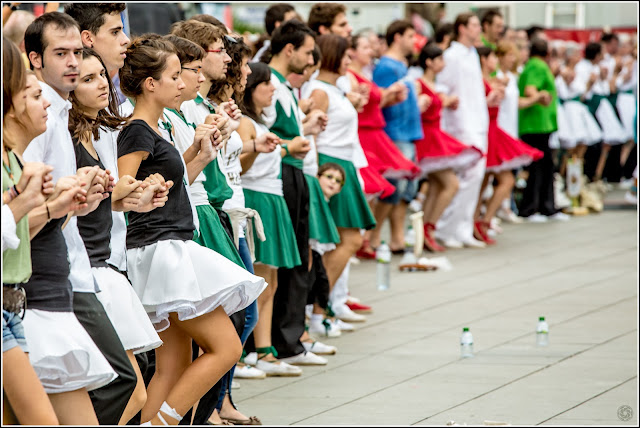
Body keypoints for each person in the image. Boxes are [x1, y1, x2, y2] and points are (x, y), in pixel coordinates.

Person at [117, 34, 265, 425]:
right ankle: (161, 423)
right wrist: (140, 188)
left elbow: (173, 179)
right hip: (160, 246)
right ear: (151, 84)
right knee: (227, 347)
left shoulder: (156, 125)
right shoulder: (136, 130)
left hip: (168, 241)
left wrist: (198, 153)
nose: (183, 83)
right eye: (174, 76)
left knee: (173, 365)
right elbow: (122, 188)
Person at [23, 12, 137, 425]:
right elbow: (26, 198)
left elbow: (63, 202)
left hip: (72, 264)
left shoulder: (59, 111)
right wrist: (69, 196)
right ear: (34, 59)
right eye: (61, 53)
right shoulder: (39, 112)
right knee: (117, 380)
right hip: (49, 272)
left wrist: (85, 194)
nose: (72, 62)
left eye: (77, 53)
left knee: (110, 381)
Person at [69, 48, 167, 425]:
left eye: (101, 77)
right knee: (125, 385)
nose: (101, 86)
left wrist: (136, 198)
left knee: (130, 387)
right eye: (87, 79)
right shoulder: (68, 138)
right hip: (86, 268)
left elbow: (102, 204)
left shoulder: (95, 134)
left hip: (101, 263)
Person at [2, 36, 67, 427]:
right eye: (30, 92)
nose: (45, 102)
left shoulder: (14, 157)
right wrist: (28, 201)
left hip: (13, 303)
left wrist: (59, 203)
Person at [262, 19, 329, 366]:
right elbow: (261, 132)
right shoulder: (270, 83)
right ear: (289, 50)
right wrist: (293, 143)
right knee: (288, 260)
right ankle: (284, 340)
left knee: (299, 253)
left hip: (293, 172)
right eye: (305, 52)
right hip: (282, 174)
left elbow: (280, 131)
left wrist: (305, 129)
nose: (309, 59)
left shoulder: (284, 86)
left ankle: (291, 336)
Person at [238, 61, 305, 375]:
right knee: (260, 279)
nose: (272, 88)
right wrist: (281, 149)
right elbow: (241, 167)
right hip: (258, 196)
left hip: (271, 194)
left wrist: (284, 149)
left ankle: (263, 350)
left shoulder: (260, 122)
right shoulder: (245, 123)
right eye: (265, 83)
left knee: (272, 279)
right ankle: (244, 353)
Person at [308, 34, 377, 304]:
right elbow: (313, 134)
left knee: (343, 240)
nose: (350, 62)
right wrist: (318, 174)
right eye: (346, 56)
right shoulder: (320, 91)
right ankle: (318, 309)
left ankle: (324, 309)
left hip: (343, 162)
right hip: (330, 163)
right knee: (344, 240)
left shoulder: (332, 88)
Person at [346, 32, 418, 258]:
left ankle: (369, 236)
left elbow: (374, 104)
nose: (371, 51)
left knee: (384, 186)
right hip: (365, 134)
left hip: (375, 132)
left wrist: (389, 96)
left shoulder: (364, 74)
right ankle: (364, 238)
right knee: (373, 186)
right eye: (365, 47)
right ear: (353, 52)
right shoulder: (350, 76)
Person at [414, 43, 483, 252]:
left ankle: (424, 230)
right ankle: (429, 227)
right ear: (429, 62)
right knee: (451, 184)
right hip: (427, 137)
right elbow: (415, 108)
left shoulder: (434, 84)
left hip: (436, 135)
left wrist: (444, 103)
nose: (443, 64)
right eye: (439, 60)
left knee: (437, 186)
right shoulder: (419, 83)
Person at [475, 46, 543, 243]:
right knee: (493, 180)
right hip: (490, 131)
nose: (496, 60)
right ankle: (481, 221)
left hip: (498, 131)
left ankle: (481, 220)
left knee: (490, 180)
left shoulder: (498, 80)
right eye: (492, 57)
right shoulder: (485, 81)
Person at [433, 12, 489, 249]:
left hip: (479, 119)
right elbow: (442, 85)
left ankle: (463, 227)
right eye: (475, 25)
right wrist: (448, 100)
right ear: (462, 28)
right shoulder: (453, 55)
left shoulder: (473, 53)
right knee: (467, 175)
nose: (479, 30)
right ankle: (448, 227)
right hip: (462, 123)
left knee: (476, 177)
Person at [370, 20, 425, 253]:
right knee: (393, 188)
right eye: (411, 36)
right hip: (395, 132)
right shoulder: (387, 67)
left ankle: (397, 237)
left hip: (408, 132)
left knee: (405, 191)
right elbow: (379, 102)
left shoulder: (401, 65)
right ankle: (373, 238)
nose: (415, 42)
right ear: (398, 37)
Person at [517, 38, 569, 222]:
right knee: (538, 167)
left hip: (540, 124)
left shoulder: (534, 65)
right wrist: (541, 96)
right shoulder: (537, 67)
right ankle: (532, 208)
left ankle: (547, 206)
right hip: (536, 124)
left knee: (546, 166)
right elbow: (531, 89)